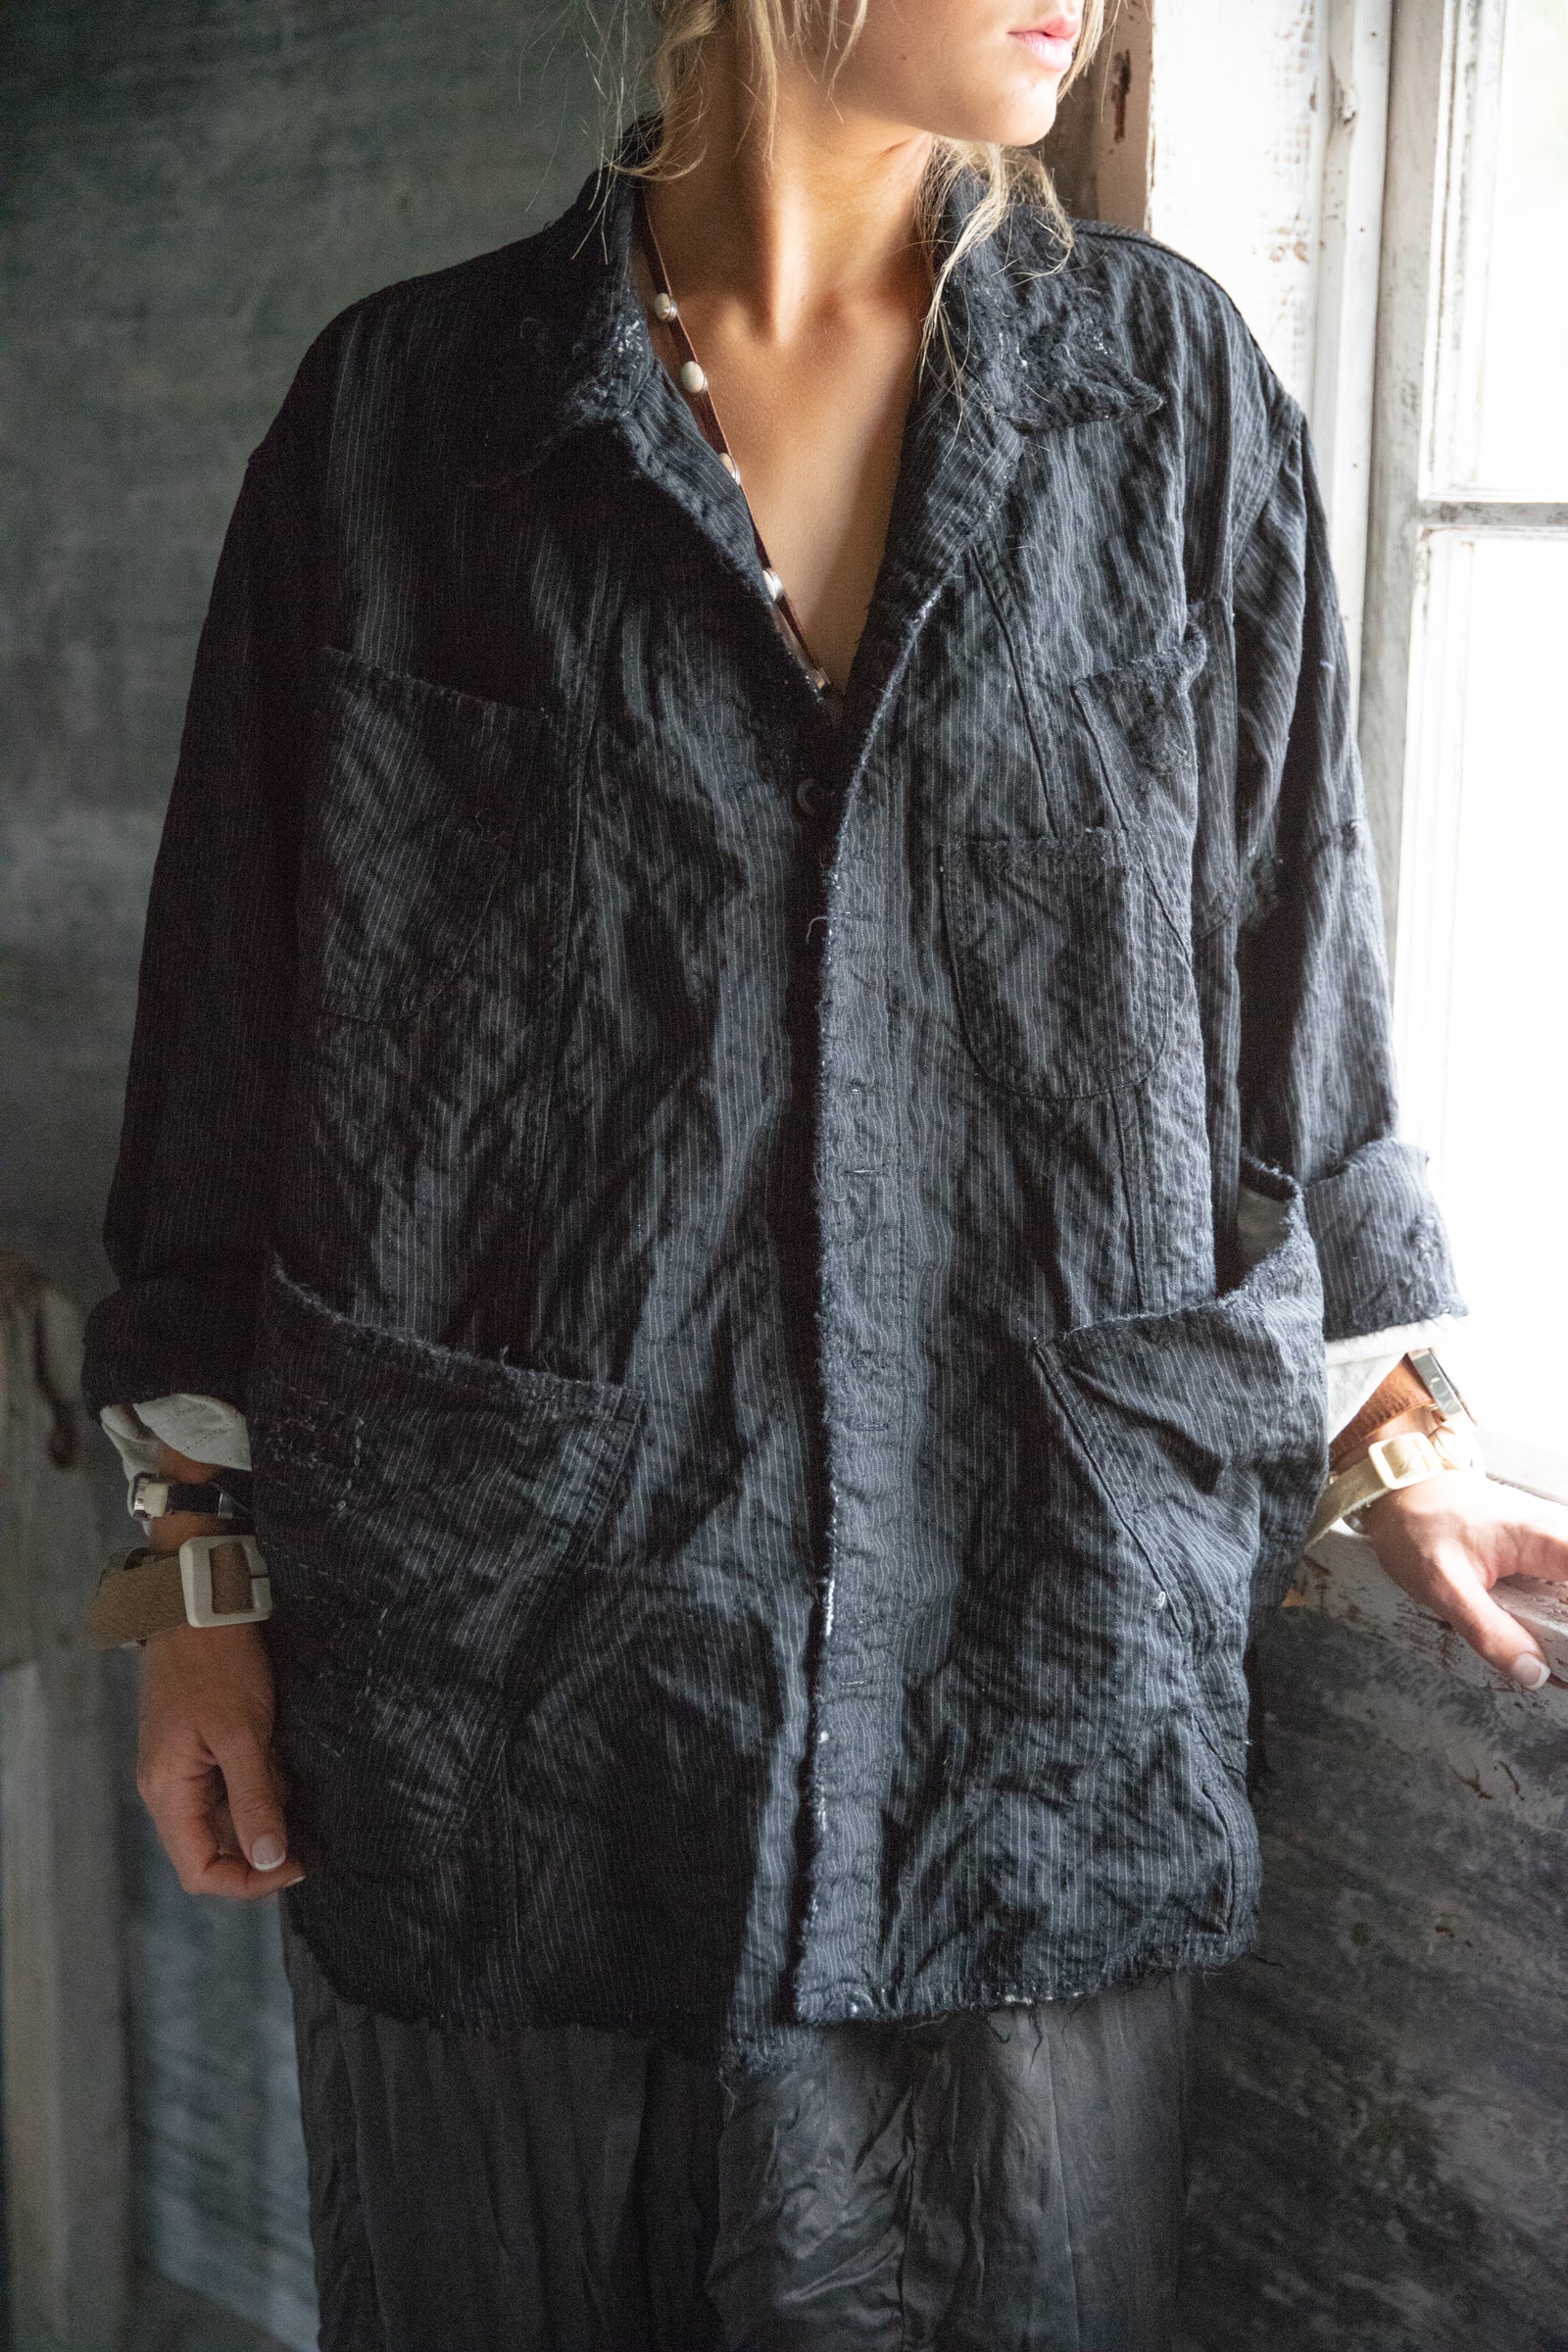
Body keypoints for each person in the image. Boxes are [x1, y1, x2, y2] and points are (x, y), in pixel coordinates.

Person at [82, 0, 1568, 2343]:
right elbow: (236, 1037)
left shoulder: (1164, 395)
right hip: (515, 1656)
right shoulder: (407, 416)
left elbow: (1291, 958)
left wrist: (1394, 1430)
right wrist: (194, 1570)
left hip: (1030, 1633)